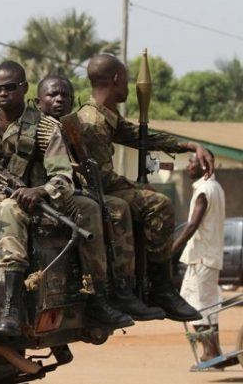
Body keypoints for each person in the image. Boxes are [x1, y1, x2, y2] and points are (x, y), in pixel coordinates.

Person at [0, 62, 132, 339]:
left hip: (28, 202)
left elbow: (63, 178)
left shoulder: (43, 127)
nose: (3, 93)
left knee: (10, 209)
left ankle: (11, 307)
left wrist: (39, 191)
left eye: (10, 87)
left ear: (24, 88)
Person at [77, 54, 213, 321]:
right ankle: (157, 287)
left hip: (102, 190)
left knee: (151, 199)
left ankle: (156, 286)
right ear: (117, 79)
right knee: (158, 204)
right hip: (94, 194)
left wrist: (188, 146)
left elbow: (138, 136)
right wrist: (140, 187)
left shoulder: (105, 116)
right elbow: (100, 179)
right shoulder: (92, 122)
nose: (128, 85)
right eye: (125, 79)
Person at [36, 75, 165, 321]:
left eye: (65, 95)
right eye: (53, 95)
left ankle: (124, 289)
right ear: (38, 101)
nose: (60, 99)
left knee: (117, 207)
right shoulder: (35, 126)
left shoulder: (72, 126)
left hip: (67, 192)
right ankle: (97, 295)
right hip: (43, 195)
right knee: (95, 209)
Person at [176, 151, 225, 361]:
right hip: (209, 256)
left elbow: (192, 226)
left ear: (204, 165)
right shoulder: (216, 188)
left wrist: (171, 251)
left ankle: (209, 351)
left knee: (194, 305)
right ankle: (214, 350)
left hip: (201, 257)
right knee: (208, 305)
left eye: (192, 162)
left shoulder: (204, 191)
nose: (188, 166)